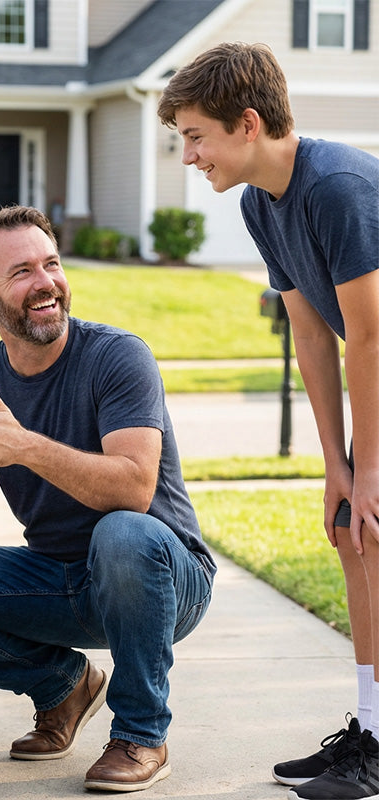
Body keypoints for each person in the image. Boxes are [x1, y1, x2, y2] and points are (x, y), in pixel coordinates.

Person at [0, 205, 216, 793]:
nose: (45, 283)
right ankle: (64, 687)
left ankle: (140, 733)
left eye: (51, 264)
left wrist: (26, 446)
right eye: (22, 272)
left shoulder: (118, 356)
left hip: (160, 576)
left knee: (122, 533)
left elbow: (134, 488)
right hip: (61, 577)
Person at [157, 41, 379, 800]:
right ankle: (372, 728)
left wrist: (372, 467)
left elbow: (371, 334)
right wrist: (337, 468)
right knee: (353, 532)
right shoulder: (261, 203)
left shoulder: (338, 187)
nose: (188, 155)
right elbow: (314, 336)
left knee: (376, 532)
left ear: (246, 124)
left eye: (194, 136)